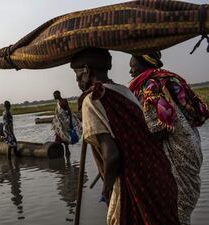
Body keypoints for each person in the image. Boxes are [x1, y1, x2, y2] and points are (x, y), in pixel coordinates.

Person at [71, 48, 180, 225]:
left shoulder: (92, 100)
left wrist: (106, 191)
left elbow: (112, 156)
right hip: (159, 176)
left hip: (135, 184)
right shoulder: (125, 91)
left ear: (87, 71)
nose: (76, 80)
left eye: (77, 75)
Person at [129, 52, 208, 225]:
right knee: (184, 201)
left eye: (133, 67)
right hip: (191, 142)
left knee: (176, 205)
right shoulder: (170, 79)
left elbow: (159, 128)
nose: (130, 72)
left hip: (177, 146)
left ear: (144, 64)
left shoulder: (149, 84)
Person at [51, 90, 80, 155]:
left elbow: (69, 111)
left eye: (55, 95)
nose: (54, 97)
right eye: (53, 95)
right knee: (61, 139)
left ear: (58, 95)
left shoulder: (64, 101)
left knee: (63, 140)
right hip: (60, 124)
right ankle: (65, 156)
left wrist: (71, 123)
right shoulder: (58, 103)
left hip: (65, 123)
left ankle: (65, 159)